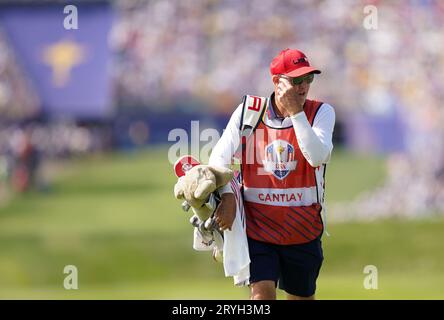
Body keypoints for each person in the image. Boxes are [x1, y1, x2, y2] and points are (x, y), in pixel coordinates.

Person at [209, 48, 335, 300]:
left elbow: (317, 156)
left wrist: (296, 113)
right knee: (261, 297)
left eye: (308, 79)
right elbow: (217, 160)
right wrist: (228, 196)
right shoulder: (248, 112)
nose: (304, 86)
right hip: (258, 230)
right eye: (296, 80)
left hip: (304, 230)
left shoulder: (321, 112)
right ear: (277, 82)